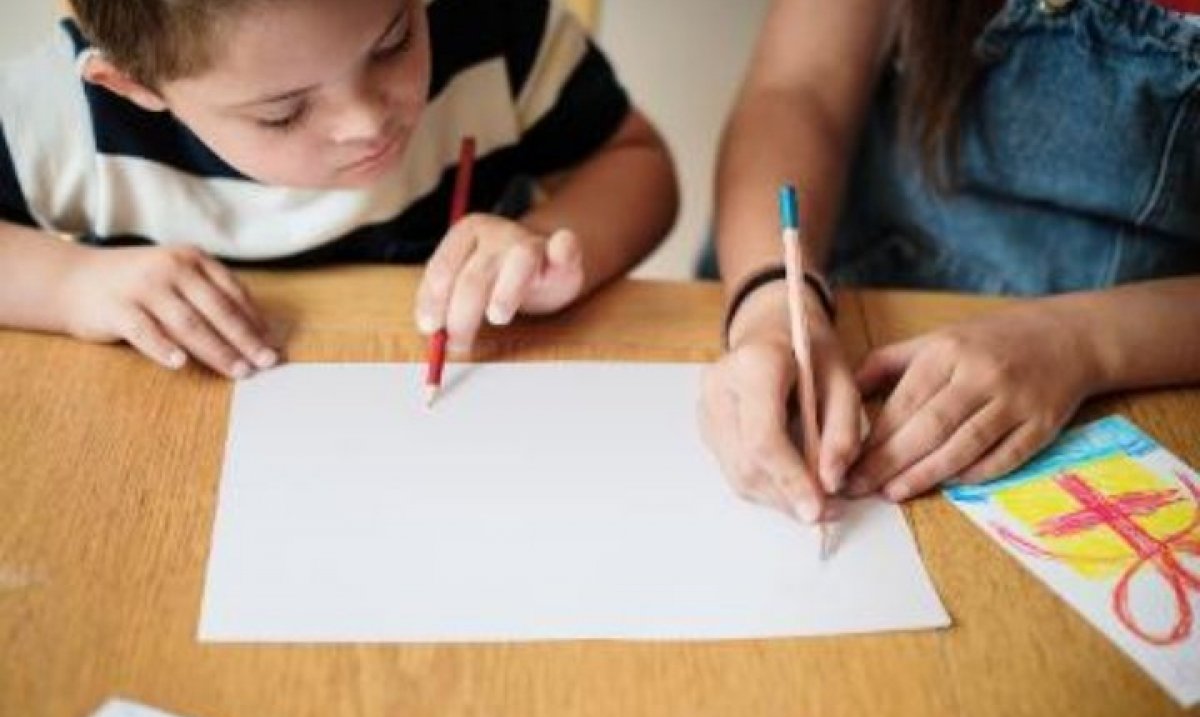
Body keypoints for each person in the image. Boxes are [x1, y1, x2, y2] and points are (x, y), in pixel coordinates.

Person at [700, 0, 1200, 523]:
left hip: (1142, 357)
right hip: (842, 291)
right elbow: (797, 86)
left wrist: (1084, 342)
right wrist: (771, 301)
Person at [0, 0, 677, 378]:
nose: (367, 122)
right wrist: (70, 285)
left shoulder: (496, 28)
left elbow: (635, 162)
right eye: (283, 112)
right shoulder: (68, 118)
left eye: (392, 42)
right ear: (136, 89)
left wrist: (545, 242)